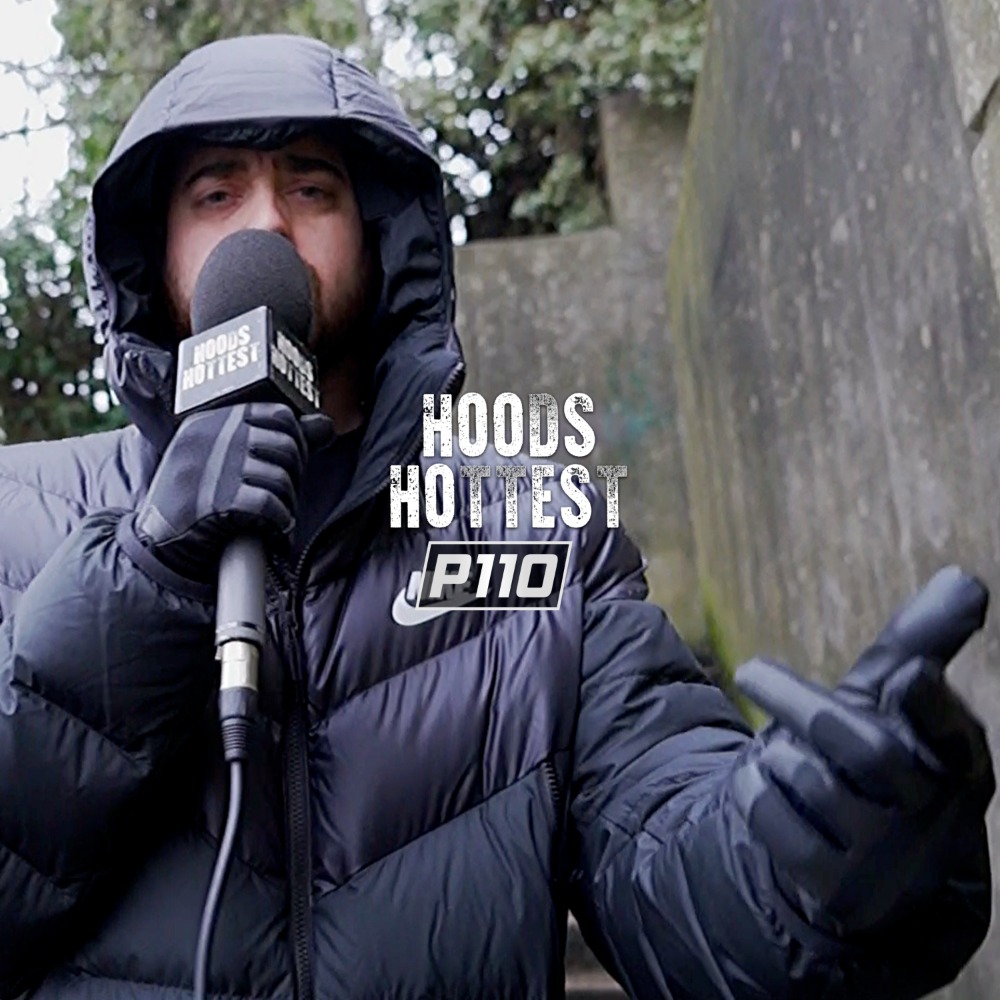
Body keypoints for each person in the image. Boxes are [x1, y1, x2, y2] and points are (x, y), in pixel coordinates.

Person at [0, 32, 993, 1000]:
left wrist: (824, 868)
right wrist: (144, 581)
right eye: (216, 193)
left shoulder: (541, 532)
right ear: (152, 250)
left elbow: (674, 857)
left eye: (312, 188)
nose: (266, 223)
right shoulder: (20, 517)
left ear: (383, 240)